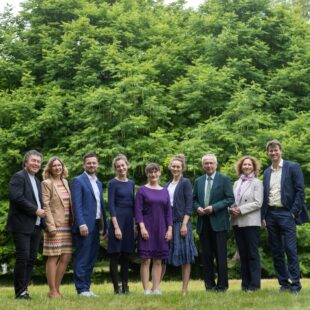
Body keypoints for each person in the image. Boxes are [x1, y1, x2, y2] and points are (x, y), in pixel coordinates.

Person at [262, 139, 309, 294]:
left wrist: (293, 213)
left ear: (281, 150)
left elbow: (300, 192)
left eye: (276, 150)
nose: (273, 153)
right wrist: (264, 216)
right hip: (271, 214)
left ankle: (295, 285)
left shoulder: (292, 167)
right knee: (276, 251)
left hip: (287, 214)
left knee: (290, 249)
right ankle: (284, 283)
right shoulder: (267, 172)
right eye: (271, 150)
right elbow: (265, 195)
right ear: (267, 153)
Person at [7, 150, 46, 299]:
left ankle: (24, 289)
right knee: (23, 257)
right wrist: (36, 210)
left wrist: (44, 223)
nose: (36, 164)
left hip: (36, 226)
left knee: (31, 258)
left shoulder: (36, 181)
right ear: (26, 162)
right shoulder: (18, 177)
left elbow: (40, 203)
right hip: (21, 224)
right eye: (33, 161)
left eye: (38, 162)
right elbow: (16, 198)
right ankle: (20, 292)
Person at [193, 154, 234, 292]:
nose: (209, 165)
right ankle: (209, 285)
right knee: (206, 257)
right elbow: (193, 199)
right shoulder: (198, 181)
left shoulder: (224, 179)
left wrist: (214, 207)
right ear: (203, 165)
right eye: (206, 163)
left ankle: (222, 286)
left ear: (216, 165)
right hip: (203, 223)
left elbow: (230, 199)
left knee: (221, 256)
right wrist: (197, 207)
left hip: (219, 223)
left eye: (211, 163)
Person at [71, 152, 108, 297]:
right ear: (84, 164)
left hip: (97, 224)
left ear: (97, 164)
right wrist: (81, 224)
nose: (91, 165)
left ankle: (87, 287)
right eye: (89, 163)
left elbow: (101, 206)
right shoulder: (78, 181)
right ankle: (81, 289)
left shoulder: (98, 182)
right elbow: (76, 205)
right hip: (84, 226)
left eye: (94, 163)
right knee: (82, 257)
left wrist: (105, 227)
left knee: (92, 257)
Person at [135, 163, 173, 295]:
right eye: (150, 172)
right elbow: (138, 211)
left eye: (155, 171)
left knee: (158, 259)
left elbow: (168, 212)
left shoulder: (164, 191)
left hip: (161, 228)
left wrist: (170, 229)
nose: (153, 174)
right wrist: (142, 227)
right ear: (147, 174)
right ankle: (146, 289)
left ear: (159, 173)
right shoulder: (142, 190)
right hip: (146, 227)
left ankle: (156, 288)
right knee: (146, 259)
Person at [164, 154, 197, 295]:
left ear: (182, 168)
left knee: (185, 256)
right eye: (173, 166)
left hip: (181, 223)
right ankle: (156, 287)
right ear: (170, 167)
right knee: (163, 256)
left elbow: (189, 205)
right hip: (167, 224)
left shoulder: (185, 182)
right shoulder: (166, 185)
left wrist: (184, 224)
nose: (175, 168)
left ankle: (184, 289)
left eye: (178, 166)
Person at [229, 156, 263, 291]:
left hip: (250, 222)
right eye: (244, 164)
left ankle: (254, 286)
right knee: (242, 254)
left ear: (253, 167)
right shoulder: (237, 183)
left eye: (249, 164)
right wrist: (230, 209)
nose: (247, 166)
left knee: (252, 254)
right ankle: (245, 285)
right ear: (241, 167)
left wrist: (240, 210)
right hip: (236, 222)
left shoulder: (257, 182)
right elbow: (232, 201)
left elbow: (258, 202)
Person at [42, 156, 72, 298]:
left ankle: (57, 289)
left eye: (59, 165)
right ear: (50, 168)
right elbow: (45, 205)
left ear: (62, 167)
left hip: (67, 224)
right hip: (55, 225)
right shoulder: (46, 183)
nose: (57, 168)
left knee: (66, 256)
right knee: (53, 256)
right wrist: (50, 225)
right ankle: (52, 290)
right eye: (54, 166)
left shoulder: (65, 181)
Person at [107, 154, 135, 294]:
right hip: (117, 221)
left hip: (129, 222)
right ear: (115, 169)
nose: (121, 168)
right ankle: (116, 288)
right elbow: (111, 206)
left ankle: (125, 286)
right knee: (115, 255)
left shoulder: (131, 183)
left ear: (127, 165)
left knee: (126, 255)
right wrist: (116, 227)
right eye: (118, 166)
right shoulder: (112, 183)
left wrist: (135, 224)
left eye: (123, 165)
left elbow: (134, 205)